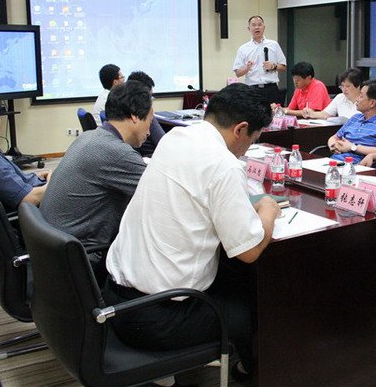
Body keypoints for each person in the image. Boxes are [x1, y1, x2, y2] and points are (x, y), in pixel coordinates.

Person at [104, 83, 280, 383]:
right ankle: (251, 374)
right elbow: (249, 252)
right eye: (253, 140)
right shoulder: (224, 164)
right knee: (258, 305)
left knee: (232, 277)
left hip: (116, 297)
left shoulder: (175, 137)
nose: (248, 148)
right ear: (241, 129)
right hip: (156, 318)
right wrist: (268, 209)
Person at [40, 81, 152, 280]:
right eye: (150, 121)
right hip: (83, 261)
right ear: (135, 116)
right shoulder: (116, 152)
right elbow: (161, 192)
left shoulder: (90, 137)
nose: (149, 131)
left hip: (53, 253)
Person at [327, 80, 376, 164]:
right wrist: (333, 146)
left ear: (372, 103)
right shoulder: (355, 118)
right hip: (335, 160)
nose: (357, 99)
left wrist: (353, 147)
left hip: (359, 165)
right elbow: (334, 138)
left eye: (361, 96)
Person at [232, 15, 287, 105]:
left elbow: (283, 66)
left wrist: (273, 66)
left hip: (271, 88)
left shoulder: (274, 45)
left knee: (273, 112)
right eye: (253, 25)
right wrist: (247, 68)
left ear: (264, 27)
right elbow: (238, 73)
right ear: (249, 29)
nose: (257, 27)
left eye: (259, 25)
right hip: (252, 89)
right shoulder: (243, 48)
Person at [126, 70, 165, 157]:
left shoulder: (122, 111)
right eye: (149, 97)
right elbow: (163, 143)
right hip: (152, 157)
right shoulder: (144, 114)